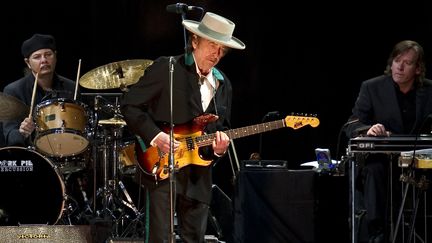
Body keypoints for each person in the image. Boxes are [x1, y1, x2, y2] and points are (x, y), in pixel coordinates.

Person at [120, 12, 245, 243]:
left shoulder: (223, 83)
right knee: (161, 238)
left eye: (222, 49)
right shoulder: (167, 68)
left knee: (194, 238)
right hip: (163, 167)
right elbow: (129, 105)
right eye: (212, 45)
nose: (216, 54)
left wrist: (217, 150)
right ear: (195, 41)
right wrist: (156, 136)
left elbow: (221, 128)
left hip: (199, 176)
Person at [345, 40, 432, 243]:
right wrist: (369, 129)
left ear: (418, 69)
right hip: (384, 162)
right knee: (374, 170)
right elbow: (351, 125)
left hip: (422, 162)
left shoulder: (429, 91)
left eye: (407, 63)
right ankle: (377, 235)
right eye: (397, 60)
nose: (399, 67)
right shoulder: (371, 87)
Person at [2, 33, 79, 147]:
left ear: (55, 56)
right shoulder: (14, 90)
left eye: (48, 54)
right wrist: (22, 133)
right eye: (37, 57)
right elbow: (9, 136)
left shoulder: (72, 87)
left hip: (67, 151)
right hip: (31, 156)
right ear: (28, 63)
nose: (44, 60)